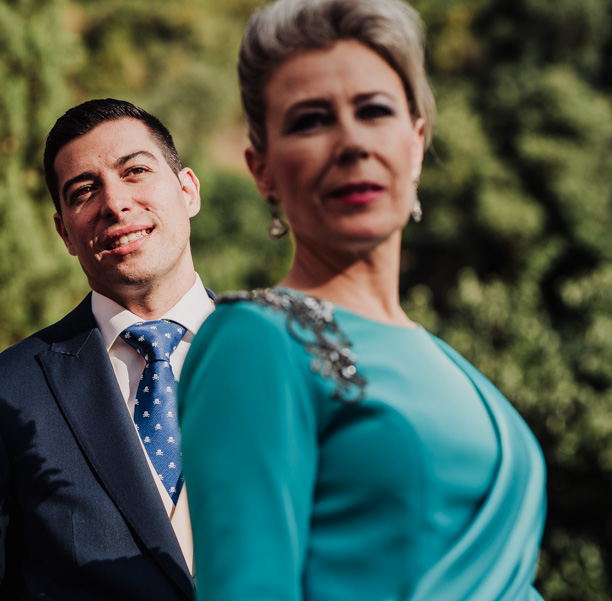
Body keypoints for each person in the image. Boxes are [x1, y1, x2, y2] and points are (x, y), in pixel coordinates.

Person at [178, 1, 547, 600]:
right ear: (263, 169)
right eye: (310, 121)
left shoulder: (442, 358)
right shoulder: (256, 342)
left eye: (374, 110)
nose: (351, 142)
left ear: (417, 142)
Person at [0, 99, 213, 601]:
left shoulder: (285, 356)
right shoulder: (1, 397)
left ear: (188, 190)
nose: (116, 203)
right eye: (84, 191)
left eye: (136, 172)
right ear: (65, 233)